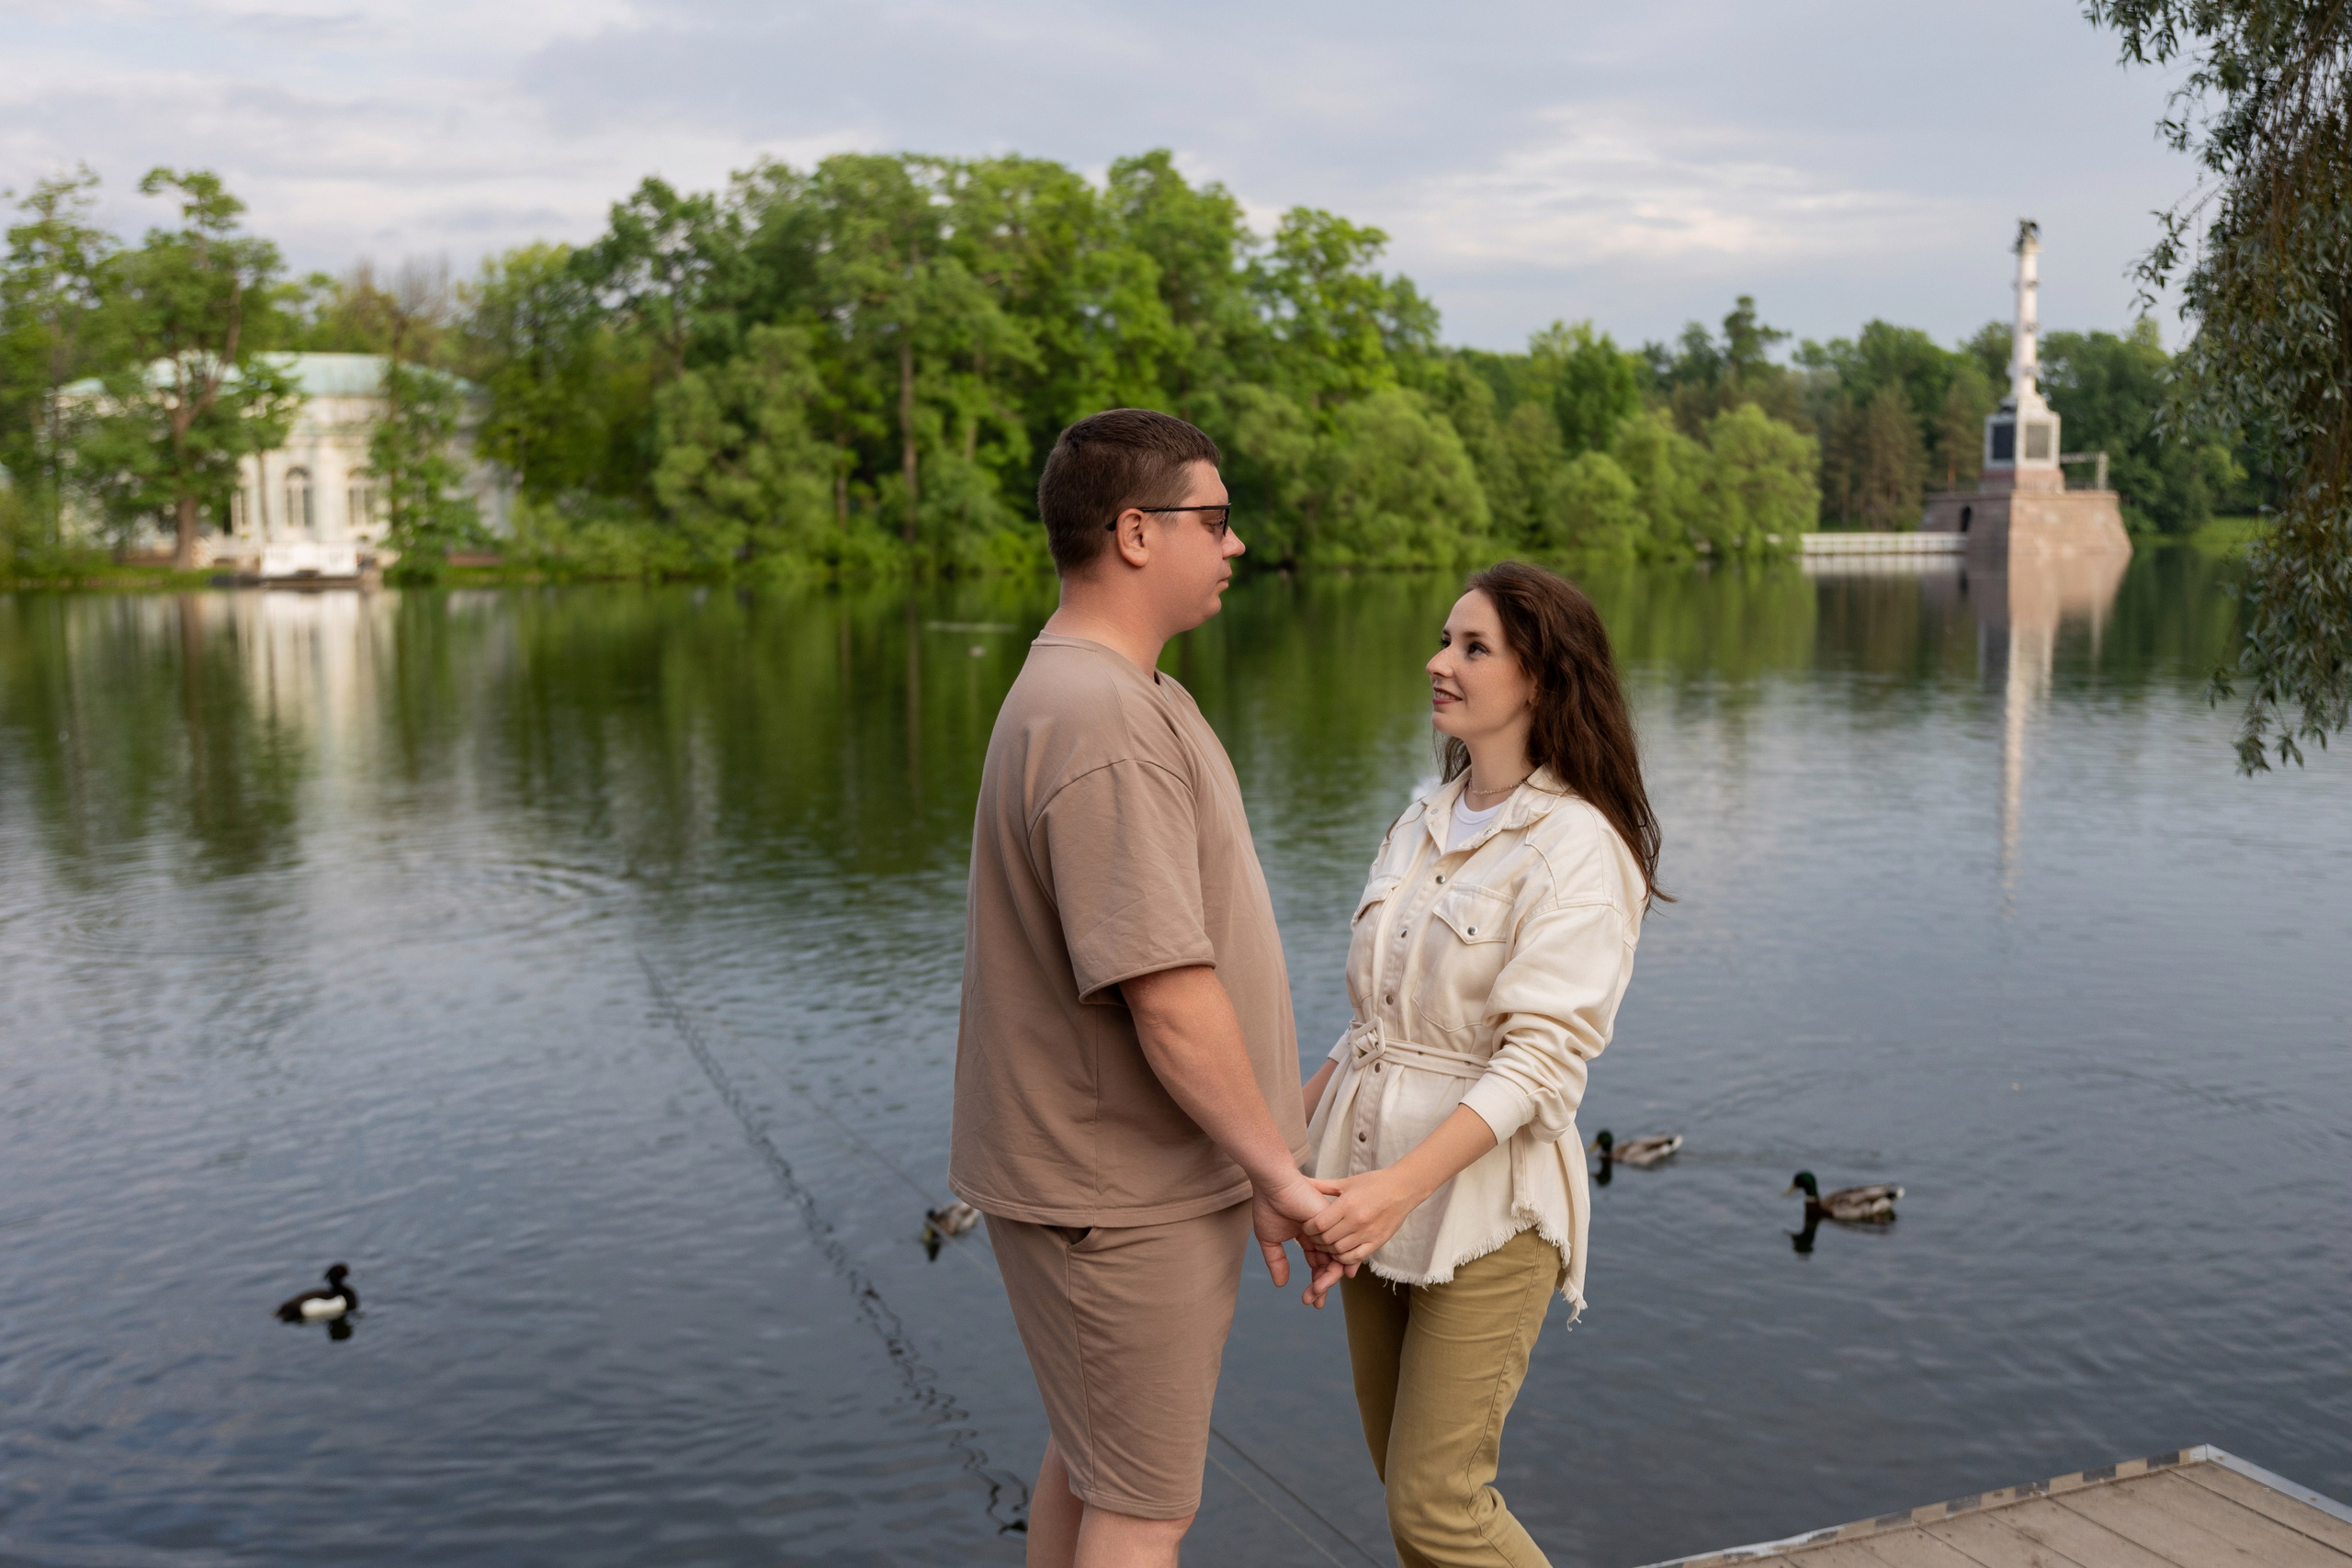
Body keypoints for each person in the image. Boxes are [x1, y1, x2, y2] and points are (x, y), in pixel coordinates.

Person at [949, 408, 1343, 1568]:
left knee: (1096, 1463)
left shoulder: (1113, 692)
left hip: (1120, 1184)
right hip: (1116, 1196)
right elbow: (1165, 995)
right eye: (1212, 520)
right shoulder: (1102, 720)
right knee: (1145, 1507)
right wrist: (1280, 1172)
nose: (1233, 545)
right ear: (1133, 531)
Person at [1298, 562, 1663, 1568]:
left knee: (1438, 1507)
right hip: (1367, 1190)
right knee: (1405, 1488)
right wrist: (1279, 1147)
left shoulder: (1578, 848)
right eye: (1443, 641)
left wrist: (1390, 1194)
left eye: (1471, 647)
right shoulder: (1422, 819)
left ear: (1540, 678)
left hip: (1485, 1212)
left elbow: (1539, 1066)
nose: (1438, 663)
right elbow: (1372, 1024)